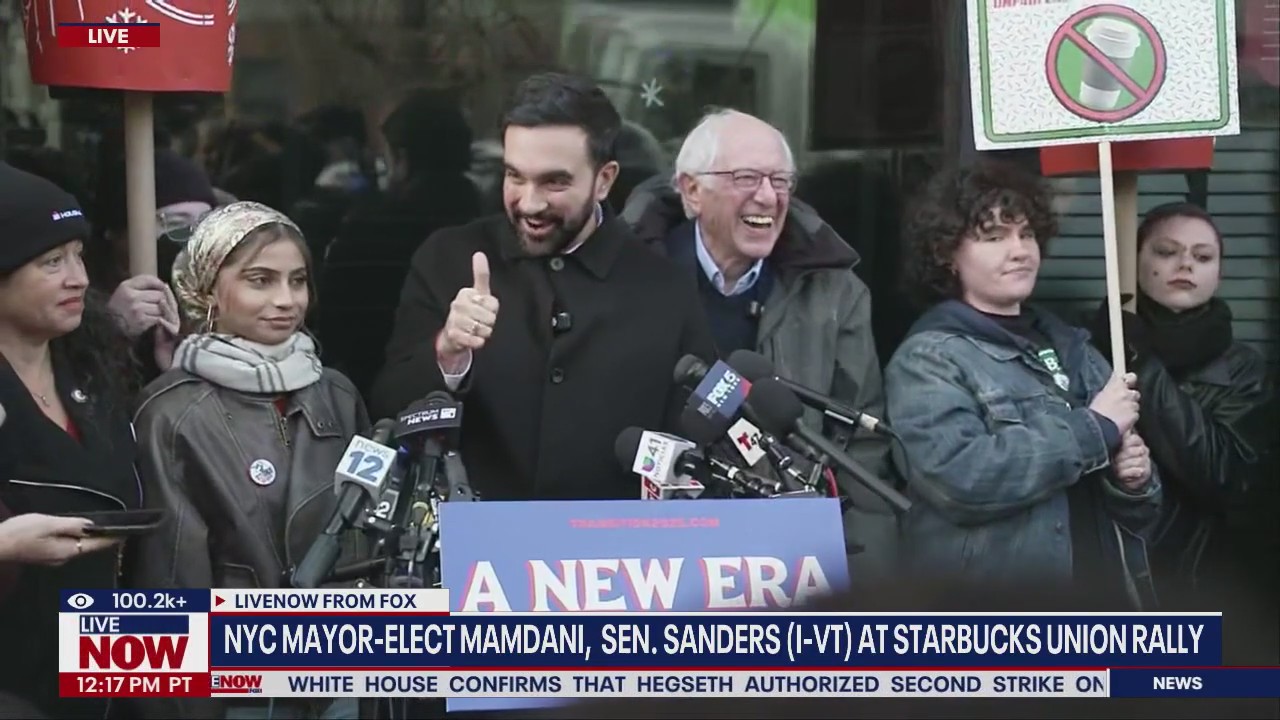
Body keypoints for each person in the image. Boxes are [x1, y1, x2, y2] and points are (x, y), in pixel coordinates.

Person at [370, 72, 716, 500]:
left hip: (613, 555)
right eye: (515, 176)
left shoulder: (664, 289)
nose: (530, 203)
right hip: (472, 554)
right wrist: (448, 352)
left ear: (604, 179)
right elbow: (384, 410)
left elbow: (697, 448)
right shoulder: (447, 260)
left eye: (554, 182)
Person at [623, 109, 895, 580]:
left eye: (781, 180)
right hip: (649, 555)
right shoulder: (626, 281)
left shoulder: (835, 293)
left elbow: (861, 450)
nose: (768, 196)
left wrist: (867, 581)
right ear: (691, 192)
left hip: (785, 557)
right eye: (746, 177)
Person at [883, 160, 1161, 607]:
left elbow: (1140, 511)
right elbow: (963, 480)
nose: (1019, 250)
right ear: (946, 253)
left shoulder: (1072, 345)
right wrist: (1095, 430)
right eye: (994, 237)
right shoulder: (930, 359)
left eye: (1026, 233)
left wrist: (1133, 482)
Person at [131, 202, 368, 718]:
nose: (286, 300)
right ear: (209, 289)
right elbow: (170, 586)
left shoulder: (336, 394)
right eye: (260, 280)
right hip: (241, 691)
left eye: (298, 280)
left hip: (341, 679)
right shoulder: (172, 414)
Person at [0, 162, 142, 719]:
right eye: (51, 262)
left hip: (115, 668)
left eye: (79, 256)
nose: (79, 278)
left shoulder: (94, 373)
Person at [1089, 202, 1275, 600]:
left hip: (1205, 579)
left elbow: (1222, 473)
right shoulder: (1092, 349)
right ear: (1133, 261)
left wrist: (1142, 362)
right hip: (1108, 575)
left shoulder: (1243, 369)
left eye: (1202, 256)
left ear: (1219, 272)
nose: (1185, 264)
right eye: (1166, 252)